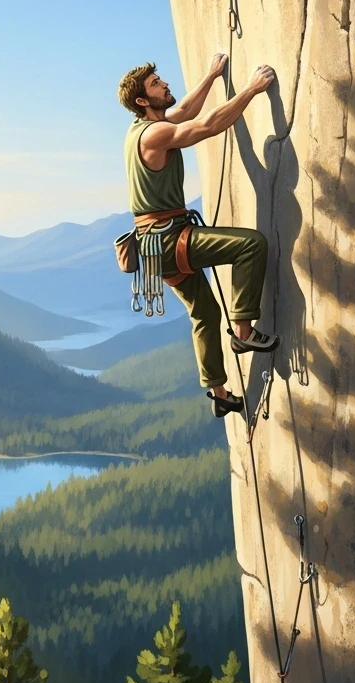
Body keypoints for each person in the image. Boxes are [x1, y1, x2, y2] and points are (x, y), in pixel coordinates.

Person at [118, 55, 279, 418]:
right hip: (171, 239)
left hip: (154, 247)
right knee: (251, 245)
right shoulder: (155, 134)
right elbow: (206, 125)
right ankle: (243, 331)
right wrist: (252, 90)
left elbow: (187, 111)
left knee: (204, 313)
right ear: (144, 100)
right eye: (156, 84)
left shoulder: (141, 129)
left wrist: (209, 76)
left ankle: (220, 394)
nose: (165, 85)